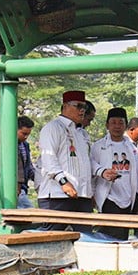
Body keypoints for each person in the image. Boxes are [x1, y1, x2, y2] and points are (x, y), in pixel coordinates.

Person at [90, 108, 138, 240]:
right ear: (107, 125)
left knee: (132, 233)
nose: (117, 126)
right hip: (110, 198)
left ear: (126, 125)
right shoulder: (98, 146)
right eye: (113, 122)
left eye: (121, 123)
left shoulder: (132, 148)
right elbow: (92, 171)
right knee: (113, 235)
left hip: (129, 196)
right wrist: (92, 193)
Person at [37, 90, 93, 230]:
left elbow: (87, 161)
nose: (82, 111)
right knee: (52, 239)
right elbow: (48, 160)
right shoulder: (52, 128)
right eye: (78, 106)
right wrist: (63, 181)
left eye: (84, 107)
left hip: (81, 194)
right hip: (57, 195)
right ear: (65, 106)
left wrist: (102, 172)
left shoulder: (82, 133)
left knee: (84, 239)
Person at [17, 116, 36, 209]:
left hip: (23, 187)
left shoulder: (25, 145)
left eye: (28, 134)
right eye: (23, 133)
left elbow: (28, 166)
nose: (26, 137)